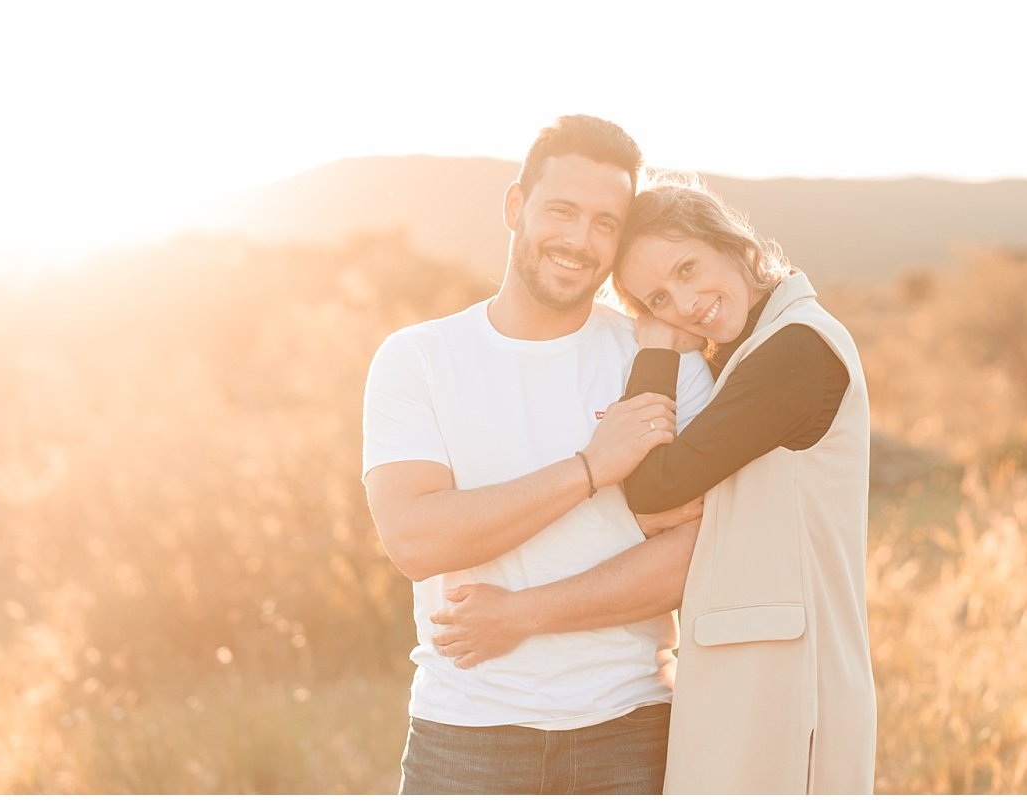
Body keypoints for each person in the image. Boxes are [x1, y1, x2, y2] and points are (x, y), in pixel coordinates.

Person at [429, 177, 877, 794]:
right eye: (659, 299)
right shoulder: (764, 345)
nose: (688, 303)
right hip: (758, 660)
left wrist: (657, 348)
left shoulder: (796, 348)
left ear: (735, 243)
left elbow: (653, 487)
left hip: (789, 668)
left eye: (688, 269)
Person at [361, 116, 715, 795]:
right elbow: (414, 538)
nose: (581, 241)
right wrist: (589, 470)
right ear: (514, 206)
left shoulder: (663, 361)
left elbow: (698, 554)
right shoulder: (419, 359)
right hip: (463, 736)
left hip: (630, 728)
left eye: (606, 223)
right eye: (562, 211)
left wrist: (521, 613)